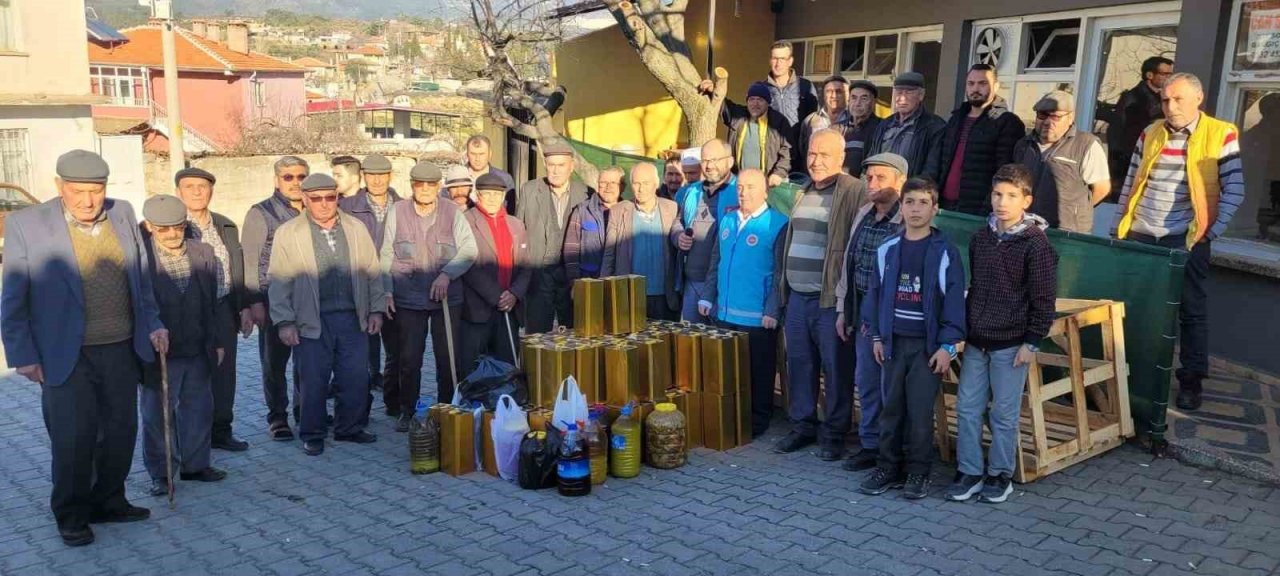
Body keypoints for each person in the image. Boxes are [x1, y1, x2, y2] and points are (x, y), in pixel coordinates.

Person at [1, 150, 167, 546]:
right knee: (73, 438)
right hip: (64, 353)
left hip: (121, 347)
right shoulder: (27, 224)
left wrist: (154, 323)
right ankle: (72, 514)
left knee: (120, 432)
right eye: (79, 192)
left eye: (96, 191)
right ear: (60, 187)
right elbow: (13, 295)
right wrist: (22, 354)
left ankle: (110, 500)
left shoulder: (123, 213)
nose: (89, 201)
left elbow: (141, 279)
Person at [1112, 72, 1244, 411]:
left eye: (1178, 99)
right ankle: (1134, 375)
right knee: (1135, 308)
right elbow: (1131, 182)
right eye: (1166, 100)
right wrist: (1118, 228)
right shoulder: (1150, 132)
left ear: (1198, 99)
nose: (1170, 107)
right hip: (1143, 233)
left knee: (1191, 312)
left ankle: (1191, 382)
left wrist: (1209, 233)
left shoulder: (1221, 134)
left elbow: (1234, 190)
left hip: (1186, 237)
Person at [947, 164, 1057, 504]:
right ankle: (969, 471)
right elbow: (976, 287)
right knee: (966, 408)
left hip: (1012, 345)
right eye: (997, 194)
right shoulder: (981, 238)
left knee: (1003, 413)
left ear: (1026, 200)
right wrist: (966, 328)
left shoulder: (1035, 245)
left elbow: (1043, 297)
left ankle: (1000, 475)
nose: (1002, 202)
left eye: (1011, 196)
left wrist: (1032, 340)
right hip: (979, 340)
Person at [858, 178, 965, 500]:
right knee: (891, 409)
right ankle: (889, 467)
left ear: (935, 209)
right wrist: (877, 335)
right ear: (900, 208)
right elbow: (875, 295)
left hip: (926, 348)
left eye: (923, 202)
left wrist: (948, 346)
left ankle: (918, 472)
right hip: (892, 343)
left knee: (919, 413)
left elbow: (954, 303)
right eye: (909, 202)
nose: (915, 209)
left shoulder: (945, 252)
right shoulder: (888, 249)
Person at [269, 174, 386, 456]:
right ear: (305, 200)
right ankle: (313, 432)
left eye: (329, 197)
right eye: (316, 198)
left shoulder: (356, 228)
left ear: (337, 197)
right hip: (311, 318)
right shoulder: (289, 232)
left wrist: (376, 309)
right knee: (313, 379)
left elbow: (372, 271)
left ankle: (350, 428)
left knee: (355, 376)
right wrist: (284, 321)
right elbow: (279, 279)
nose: (324, 204)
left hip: (352, 316)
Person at [775, 129, 866, 460]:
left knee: (836, 367)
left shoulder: (855, 191)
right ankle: (803, 426)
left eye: (824, 155)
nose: (815, 161)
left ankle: (835, 433)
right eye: (812, 154)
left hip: (829, 300)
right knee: (800, 364)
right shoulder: (803, 190)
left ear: (841, 159)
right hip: (797, 296)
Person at [139, 195, 227, 497]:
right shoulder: (140, 259)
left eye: (178, 227)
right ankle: (162, 473)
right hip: (159, 352)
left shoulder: (203, 252)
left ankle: (195, 464)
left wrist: (215, 341)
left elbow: (211, 304)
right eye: (163, 229)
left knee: (199, 408)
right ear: (150, 227)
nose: (173, 234)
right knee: (158, 414)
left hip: (197, 346)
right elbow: (136, 307)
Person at [381, 162, 477, 432]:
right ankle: (407, 409)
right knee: (409, 359)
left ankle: (446, 409)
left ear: (438, 187)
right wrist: (386, 290)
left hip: (446, 301)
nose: (424, 189)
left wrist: (447, 274)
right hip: (408, 299)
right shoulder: (397, 211)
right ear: (412, 186)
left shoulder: (452, 212)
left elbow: (469, 249)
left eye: (430, 184)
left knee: (447, 359)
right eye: (419, 184)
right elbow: (386, 254)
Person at [699, 169, 788, 437]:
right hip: (725, 313)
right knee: (731, 370)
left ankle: (759, 420)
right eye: (740, 187)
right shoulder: (726, 220)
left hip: (758, 316)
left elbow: (780, 272)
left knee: (759, 372)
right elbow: (716, 261)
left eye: (750, 187)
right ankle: (733, 416)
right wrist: (707, 295)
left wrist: (772, 309)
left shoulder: (778, 223)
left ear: (765, 191)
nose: (743, 192)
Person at [835, 153, 908, 472]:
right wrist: (841, 309)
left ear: (900, 182)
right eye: (869, 177)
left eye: (881, 178)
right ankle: (869, 445)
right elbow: (847, 265)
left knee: (891, 387)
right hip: (863, 310)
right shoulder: (864, 213)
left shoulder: (908, 219)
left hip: (893, 317)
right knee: (865, 382)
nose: (872, 183)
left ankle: (892, 451)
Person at [175, 167, 251, 452]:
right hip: (186, 314)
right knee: (192, 376)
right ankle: (191, 439)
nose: (196, 191)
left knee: (224, 374)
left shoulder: (225, 225)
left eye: (202, 186)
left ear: (211, 191)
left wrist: (242, 306)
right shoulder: (172, 227)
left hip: (223, 307)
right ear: (178, 192)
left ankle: (221, 430)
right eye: (189, 186)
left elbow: (237, 266)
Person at [242, 156, 307, 440]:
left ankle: (305, 410)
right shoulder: (260, 212)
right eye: (288, 177)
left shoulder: (316, 209)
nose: (296, 182)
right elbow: (250, 260)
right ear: (276, 180)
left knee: (307, 360)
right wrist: (254, 301)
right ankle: (277, 417)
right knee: (274, 362)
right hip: (272, 298)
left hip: (307, 298)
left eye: (301, 176)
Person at [339, 154, 401, 404]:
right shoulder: (347, 207)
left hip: (394, 288)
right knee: (359, 353)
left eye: (382, 175)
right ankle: (359, 408)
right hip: (359, 288)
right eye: (371, 175)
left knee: (396, 350)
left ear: (390, 176)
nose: (377, 180)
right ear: (364, 176)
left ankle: (393, 402)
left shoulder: (403, 206)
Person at [515, 140, 591, 333]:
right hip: (538, 273)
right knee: (537, 335)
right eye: (551, 165)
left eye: (561, 165)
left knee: (575, 332)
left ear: (571, 167)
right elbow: (518, 231)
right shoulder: (530, 190)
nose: (555, 171)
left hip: (572, 275)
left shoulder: (585, 193)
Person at [461, 174, 532, 369]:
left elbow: (526, 265)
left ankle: (504, 400)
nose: (492, 198)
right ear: (477, 195)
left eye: (497, 194)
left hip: (509, 309)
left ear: (503, 197)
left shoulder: (516, 224)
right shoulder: (465, 221)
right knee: (471, 370)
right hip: (477, 310)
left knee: (506, 369)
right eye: (487, 194)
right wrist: (498, 296)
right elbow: (469, 264)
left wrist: (514, 294)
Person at [1015, 91, 1111, 233]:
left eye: (1056, 116)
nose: (1048, 122)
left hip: (1067, 233)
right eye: (1042, 115)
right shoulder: (1023, 145)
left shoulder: (1086, 145)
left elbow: (1102, 189)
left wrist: (1074, 212)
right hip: (1027, 229)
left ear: (1070, 118)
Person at [937, 64, 1026, 214]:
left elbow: (1004, 172)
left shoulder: (1006, 122)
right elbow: (942, 162)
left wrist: (987, 208)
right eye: (971, 84)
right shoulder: (956, 119)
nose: (975, 89)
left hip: (977, 211)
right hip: (944, 206)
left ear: (996, 86)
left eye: (982, 83)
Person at [602, 163, 681, 320]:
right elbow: (609, 254)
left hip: (665, 296)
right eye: (636, 183)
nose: (641, 189)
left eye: (646, 183)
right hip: (629, 295)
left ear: (656, 183)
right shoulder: (619, 211)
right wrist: (603, 288)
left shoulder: (672, 208)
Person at [673, 139, 738, 323]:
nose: (709, 166)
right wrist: (678, 236)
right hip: (692, 283)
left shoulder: (740, 191)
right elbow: (677, 222)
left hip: (724, 288)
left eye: (715, 160)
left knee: (722, 345)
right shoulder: (690, 192)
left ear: (730, 161)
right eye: (705, 160)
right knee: (693, 344)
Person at [702, 81, 792, 186]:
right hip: (739, 181)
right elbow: (721, 104)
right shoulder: (738, 116)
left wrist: (779, 173)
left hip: (767, 183)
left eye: (760, 100)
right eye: (752, 99)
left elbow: (787, 151)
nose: (755, 103)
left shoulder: (779, 122)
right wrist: (712, 91)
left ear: (768, 102)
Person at [866, 72, 947, 179]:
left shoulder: (935, 126)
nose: (902, 98)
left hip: (910, 191)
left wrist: (912, 192)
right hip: (881, 189)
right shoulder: (885, 124)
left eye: (908, 92)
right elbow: (872, 158)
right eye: (898, 92)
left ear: (921, 95)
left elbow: (931, 170)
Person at [1109, 56, 1174, 189]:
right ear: (1149, 75)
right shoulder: (1132, 98)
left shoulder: (1165, 98)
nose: (1169, 78)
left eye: (1171, 74)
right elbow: (1117, 131)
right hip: (1131, 160)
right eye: (1165, 74)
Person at [764, 40, 820, 169]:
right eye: (775, 58)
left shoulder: (805, 86)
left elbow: (814, 121)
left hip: (801, 157)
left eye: (782, 59)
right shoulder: (762, 89)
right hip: (773, 158)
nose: (778, 63)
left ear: (790, 61)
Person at [565, 166, 623, 282]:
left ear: (622, 186)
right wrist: (574, 281)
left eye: (613, 182)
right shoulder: (582, 210)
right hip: (589, 281)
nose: (608, 187)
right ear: (598, 185)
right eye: (604, 182)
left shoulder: (628, 211)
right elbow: (571, 249)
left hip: (619, 281)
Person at [797, 75, 851, 168]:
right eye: (829, 91)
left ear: (848, 95)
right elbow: (803, 151)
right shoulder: (810, 121)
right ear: (823, 94)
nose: (833, 96)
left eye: (839, 92)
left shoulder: (855, 121)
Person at [466, 134, 517, 212]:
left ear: (490, 154)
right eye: (473, 154)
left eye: (481, 154)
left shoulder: (504, 179)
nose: (477, 159)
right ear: (467, 154)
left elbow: (509, 212)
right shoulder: (456, 177)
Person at [844, 80, 883, 175]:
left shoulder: (882, 128)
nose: (857, 103)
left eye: (864, 98)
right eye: (853, 98)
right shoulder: (838, 128)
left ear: (874, 102)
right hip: (839, 185)